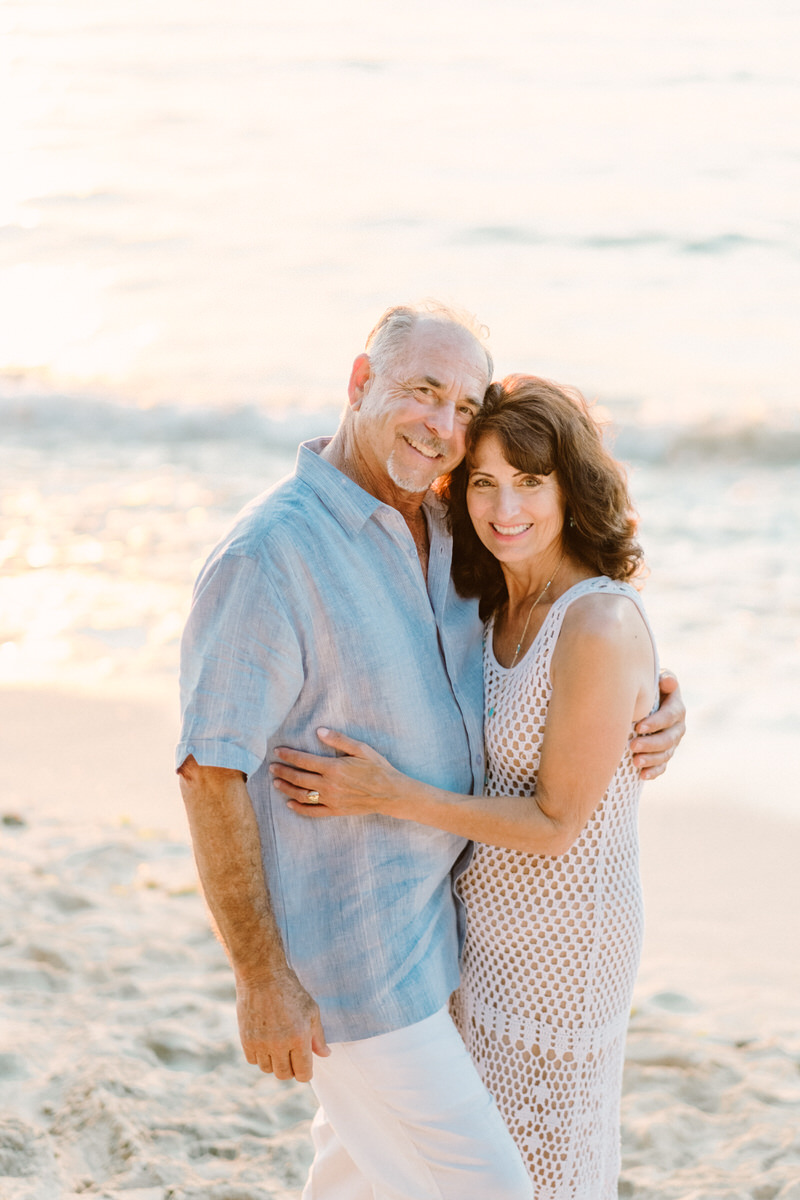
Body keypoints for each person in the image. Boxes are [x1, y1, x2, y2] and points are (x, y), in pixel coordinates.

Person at [177, 306, 685, 1200]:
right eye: (423, 392)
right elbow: (208, 769)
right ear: (360, 382)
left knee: (355, 1180)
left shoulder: (449, 533)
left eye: (464, 404)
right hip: (354, 967)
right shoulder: (270, 556)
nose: (444, 428)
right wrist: (261, 980)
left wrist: (654, 698)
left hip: (448, 950)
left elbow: (559, 644)